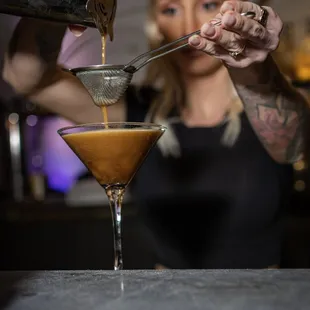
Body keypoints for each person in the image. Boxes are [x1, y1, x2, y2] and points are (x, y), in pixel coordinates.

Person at [3, 0, 310, 269]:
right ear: (157, 24)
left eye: (207, 5)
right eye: (171, 9)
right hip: (166, 298)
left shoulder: (279, 100)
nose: (188, 26)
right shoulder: (137, 112)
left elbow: (290, 146)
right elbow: (27, 78)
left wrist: (253, 70)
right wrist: (57, 4)